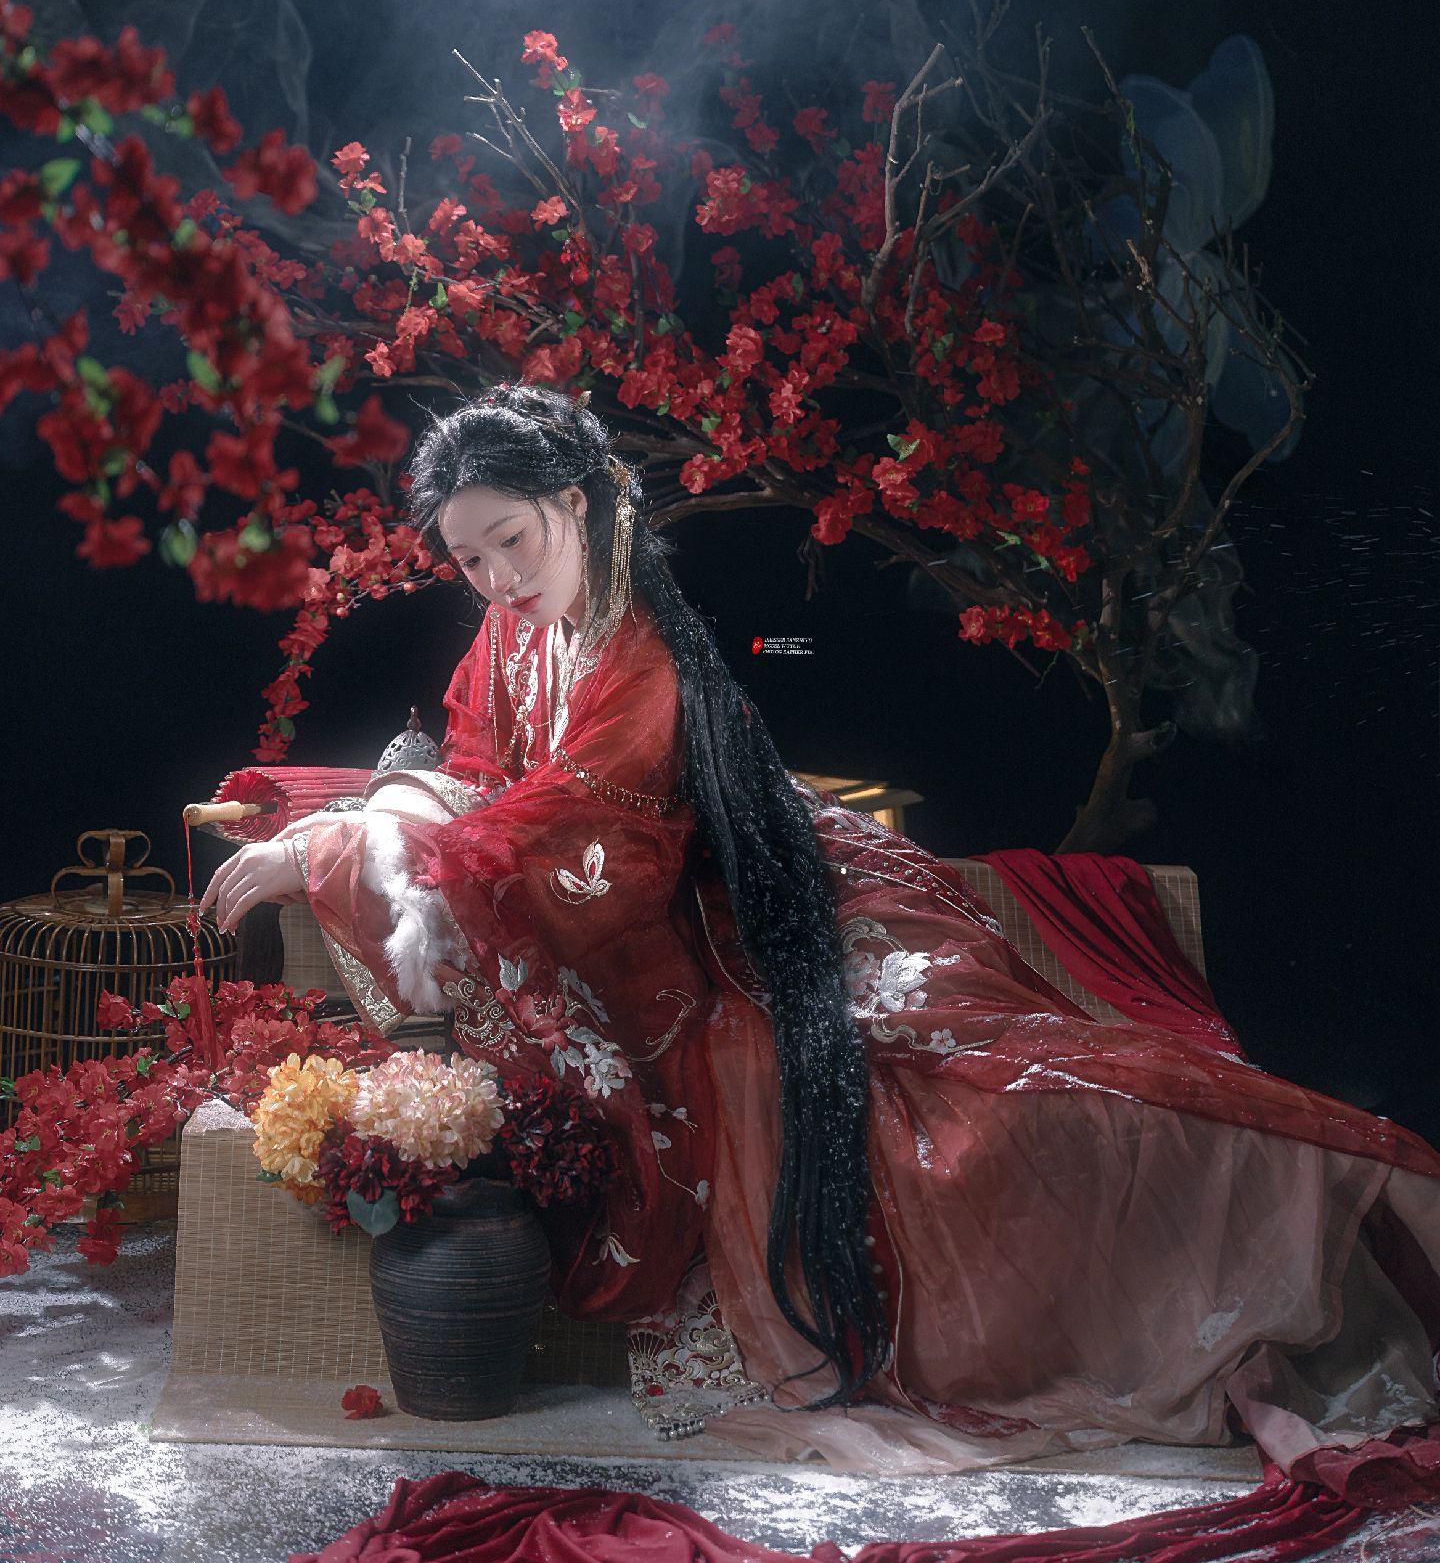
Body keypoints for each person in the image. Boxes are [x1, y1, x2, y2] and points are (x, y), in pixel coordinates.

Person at [200, 381, 1440, 1484]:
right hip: (673, 885)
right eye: (469, 560)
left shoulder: (643, 659)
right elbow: (483, 765)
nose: (495, 581)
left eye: (510, 542)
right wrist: (393, 809)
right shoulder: (517, 627)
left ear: (575, 504)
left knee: (955, 1090)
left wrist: (348, 844)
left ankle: (1313, 1214)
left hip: (746, 899)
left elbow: (575, 833)